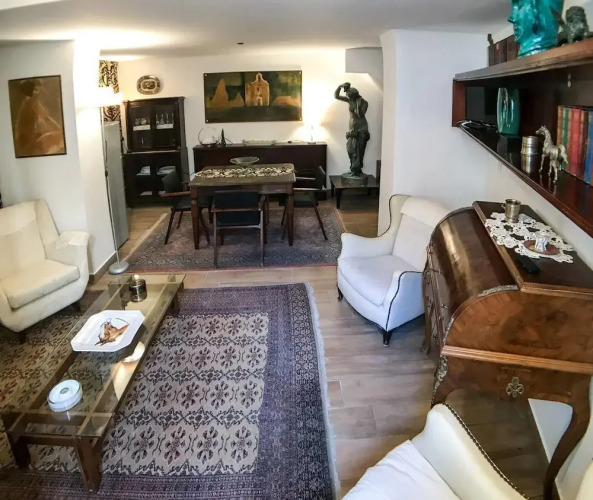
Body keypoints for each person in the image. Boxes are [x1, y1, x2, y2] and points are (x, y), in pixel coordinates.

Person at [14, 78, 64, 157]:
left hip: (32, 139)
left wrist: (60, 129)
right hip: (28, 143)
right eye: (36, 90)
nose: (38, 92)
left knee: (59, 136)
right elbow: (23, 132)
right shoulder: (27, 106)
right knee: (57, 139)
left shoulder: (35, 103)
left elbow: (46, 118)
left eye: (38, 90)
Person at [334, 82, 370, 178]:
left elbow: (360, 114)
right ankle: (353, 168)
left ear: (354, 96)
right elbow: (336, 96)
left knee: (359, 152)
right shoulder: (349, 100)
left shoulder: (364, 102)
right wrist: (340, 86)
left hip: (362, 130)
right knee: (350, 149)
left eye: (350, 96)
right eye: (347, 96)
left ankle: (357, 171)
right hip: (352, 130)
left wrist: (358, 103)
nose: (348, 97)